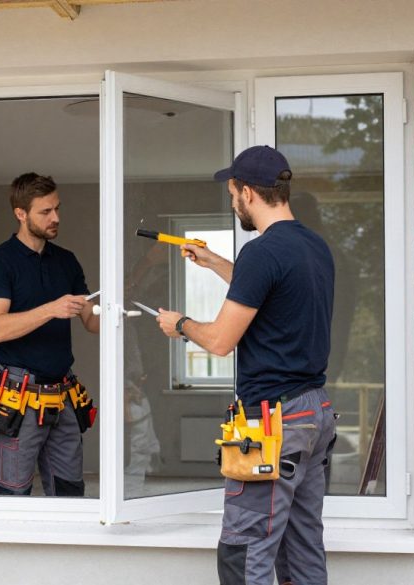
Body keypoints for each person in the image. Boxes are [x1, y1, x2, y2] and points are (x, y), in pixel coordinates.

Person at [154, 146, 337, 585]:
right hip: (313, 413)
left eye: (233, 191)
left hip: (274, 423)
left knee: (245, 549)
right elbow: (271, 291)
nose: (232, 200)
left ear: (249, 193)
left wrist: (179, 324)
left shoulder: (262, 252)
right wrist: (215, 262)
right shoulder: (314, 246)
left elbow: (219, 341)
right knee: (301, 545)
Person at [0, 172, 99, 497]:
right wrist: (50, 309)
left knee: (70, 492)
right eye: (45, 211)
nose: (56, 217)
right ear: (21, 213)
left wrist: (116, 305)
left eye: (57, 208)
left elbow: (91, 321)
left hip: (63, 393)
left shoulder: (66, 261)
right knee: (13, 494)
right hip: (20, 397)